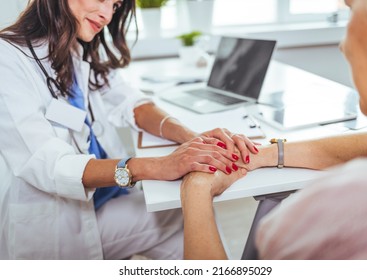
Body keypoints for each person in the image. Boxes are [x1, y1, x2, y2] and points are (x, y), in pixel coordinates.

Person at [0, 0, 259, 259]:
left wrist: (191, 137)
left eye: (115, 4)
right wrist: (158, 166)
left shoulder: (76, 48)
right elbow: (49, 164)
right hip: (61, 224)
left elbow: (130, 102)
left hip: (105, 199)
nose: (107, 15)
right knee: (191, 214)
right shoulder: (8, 58)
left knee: (186, 236)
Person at [180, 0, 367, 260]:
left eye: (353, 10)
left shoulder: (336, 207)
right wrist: (262, 154)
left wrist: (196, 191)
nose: (342, 44)